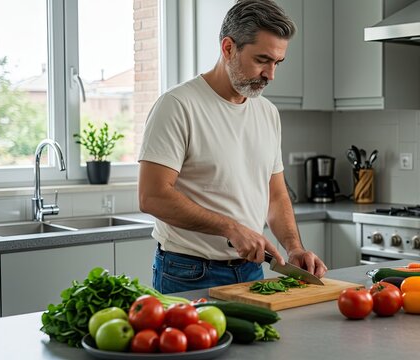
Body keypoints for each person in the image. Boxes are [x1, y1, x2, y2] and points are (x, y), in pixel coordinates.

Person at [137, 0, 327, 294]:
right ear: (228, 48)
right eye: (262, 59)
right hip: (188, 272)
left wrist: (294, 248)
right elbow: (152, 196)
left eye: (277, 63)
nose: (270, 74)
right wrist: (230, 228)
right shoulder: (178, 106)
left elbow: (275, 196)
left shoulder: (267, 112)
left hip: (252, 270)